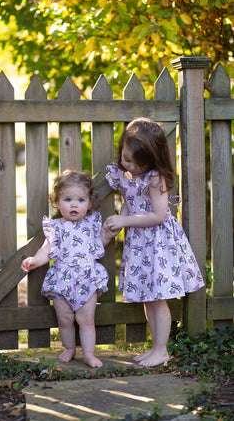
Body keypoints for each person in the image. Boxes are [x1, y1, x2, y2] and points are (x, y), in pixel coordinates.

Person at [104, 117, 205, 367]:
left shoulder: (155, 179)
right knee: (149, 298)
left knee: (158, 299)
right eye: (126, 158)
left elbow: (158, 216)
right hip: (140, 245)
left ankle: (162, 350)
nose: (129, 165)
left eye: (136, 163)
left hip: (158, 245)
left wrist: (125, 222)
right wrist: (119, 223)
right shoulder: (129, 175)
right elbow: (129, 203)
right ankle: (155, 347)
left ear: (152, 160)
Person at [21, 169, 112, 368]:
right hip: (62, 279)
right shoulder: (56, 228)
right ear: (57, 203)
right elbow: (47, 249)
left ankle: (88, 353)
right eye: (67, 199)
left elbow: (98, 245)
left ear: (88, 203)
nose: (74, 204)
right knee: (65, 319)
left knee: (86, 319)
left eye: (80, 200)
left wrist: (107, 234)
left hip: (87, 278)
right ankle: (69, 348)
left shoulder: (91, 224)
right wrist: (35, 260)